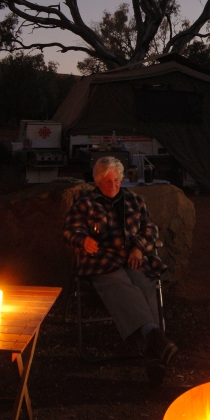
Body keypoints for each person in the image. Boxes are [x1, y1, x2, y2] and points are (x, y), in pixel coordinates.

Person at [63, 155, 177, 383]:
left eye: (117, 180)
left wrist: (139, 248)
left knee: (144, 283)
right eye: (107, 181)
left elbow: (150, 229)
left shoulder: (134, 200)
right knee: (119, 284)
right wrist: (82, 240)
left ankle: (151, 353)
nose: (114, 185)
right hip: (102, 260)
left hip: (132, 257)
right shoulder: (85, 204)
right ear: (97, 182)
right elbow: (69, 231)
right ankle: (155, 339)